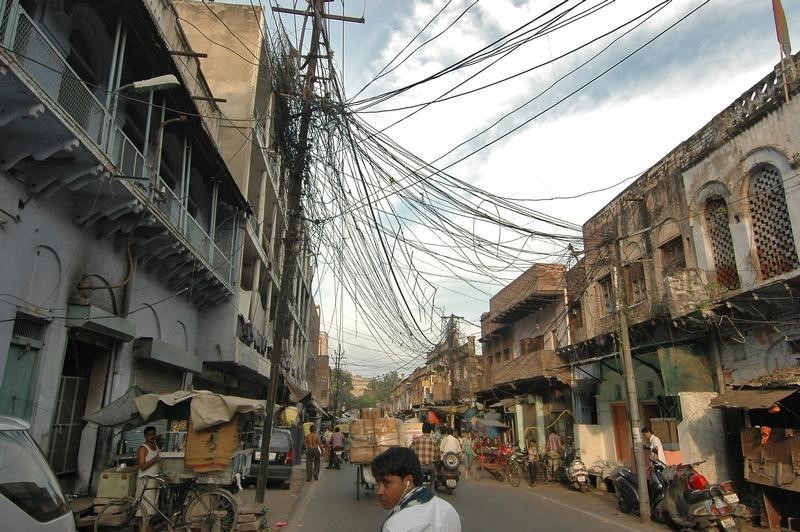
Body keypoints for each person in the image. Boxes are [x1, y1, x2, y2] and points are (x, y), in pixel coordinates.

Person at [372, 446, 461, 532]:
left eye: (386, 483)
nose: (379, 491)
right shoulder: (448, 510)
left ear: (408, 482)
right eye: (378, 483)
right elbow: (437, 457)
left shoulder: (394, 526)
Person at [136, 426, 161, 516]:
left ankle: (147, 527)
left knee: (152, 510)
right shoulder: (143, 448)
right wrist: (155, 459)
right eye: (149, 435)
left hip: (154, 481)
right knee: (144, 510)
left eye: (153, 434)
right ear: (145, 436)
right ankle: (143, 528)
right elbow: (142, 466)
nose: (152, 437)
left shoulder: (156, 446)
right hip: (145, 481)